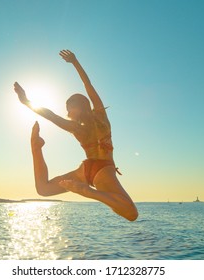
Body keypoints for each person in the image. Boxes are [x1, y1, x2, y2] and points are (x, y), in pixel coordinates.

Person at [14, 50, 138, 221]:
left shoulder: (79, 127)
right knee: (131, 213)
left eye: (69, 108)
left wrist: (26, 102)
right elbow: (88, 87)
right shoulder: (101, 118)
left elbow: (53, 114)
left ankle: (36, 147)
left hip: (86, 170)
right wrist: (75, 62)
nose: (67, 112)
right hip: (103, 170)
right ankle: (89, 192)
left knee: (43, 189)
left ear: (79, 106)